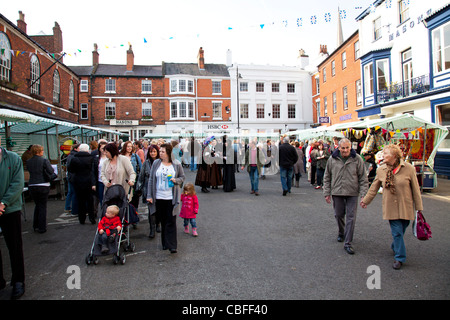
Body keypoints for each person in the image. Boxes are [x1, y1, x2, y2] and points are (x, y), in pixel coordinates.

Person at [360, 144, 423, 270]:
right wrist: (365, 201)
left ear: (394, 156)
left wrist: (419, 207)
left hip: (406, 205)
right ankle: (399, 258)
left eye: (385, 154)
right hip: (390, 207)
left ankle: (395, 246)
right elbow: (374, 187)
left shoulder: (409, 168)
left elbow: (416, 189)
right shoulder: (381, 170)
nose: (382, 155)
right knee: (397, 232)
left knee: (402, 229)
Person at [323, 138, 368, 255]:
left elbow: (363, 178)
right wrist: (326, 192)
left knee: (351, 217)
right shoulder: (332, 159)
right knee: (338, 215)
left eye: (347, 148)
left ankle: (348, 243)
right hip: (337, 191)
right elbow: (327, 176)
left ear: (350, 147)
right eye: (343, 148)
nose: (345, 150)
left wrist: (364, 195)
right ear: (338, 147)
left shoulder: (357, 159)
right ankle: (341, 232)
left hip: (352, 192)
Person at [147, 143, 185, 253]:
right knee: (163, 220)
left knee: (171, 220)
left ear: (168, 152)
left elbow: (182, 177)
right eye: (160, 151)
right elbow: (151, 180)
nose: (160, 153)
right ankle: (165, 243)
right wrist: (149, 195)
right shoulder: (156, 163)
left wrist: (176, 180)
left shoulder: (176, 164)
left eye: (162, 151)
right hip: (158, 196)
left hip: (171, 197)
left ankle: (172, 245)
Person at [0, 145, 26, 299]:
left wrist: (3, 203)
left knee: (14, 246)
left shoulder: (12, 158)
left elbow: (17, 183)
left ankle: (18, 281)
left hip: (10, 208)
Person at [26, 144, 57, 233]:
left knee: (37, 205)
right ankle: (42, 227)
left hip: (32, 184)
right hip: (43, 184)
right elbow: (51, 171)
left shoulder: (29, 161)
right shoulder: (44, 160)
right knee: (42, 206)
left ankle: (35, 225)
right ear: (39, 151)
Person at [68, 144, 96, 225]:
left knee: (80, 201)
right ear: (87, 150)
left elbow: (71, 170)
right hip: (88, 181)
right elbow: (92, 172)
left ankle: (81, 219)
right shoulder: (91, 158)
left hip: (78, 181)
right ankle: (92, 218)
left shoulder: (74, 158)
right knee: (90, 201)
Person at [137, 144, 160, 238]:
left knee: (158, 208)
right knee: (151, 210)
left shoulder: (161, 162)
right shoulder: (146, 163)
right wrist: (139, 187)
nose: (153, 153)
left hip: (159, 188)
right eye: (151, 152)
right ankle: (152, 229)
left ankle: (158, 224)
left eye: (154, 151)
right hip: (148, 188)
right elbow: (141, 175)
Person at [120, 141, 142, 210]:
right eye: (128, 146)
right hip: (123, 180)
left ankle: (134, 214)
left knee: (134, 200)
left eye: (131, 146)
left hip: (133, 180)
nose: (129, 148)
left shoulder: (135, 156)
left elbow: (140, 168)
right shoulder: (121, 156)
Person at [64, 143, 80, 215]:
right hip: (73, 176)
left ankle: (67, 207)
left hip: (69, 175)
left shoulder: (70, 155)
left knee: (70, 192)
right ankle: (74, 210)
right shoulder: (75, 156)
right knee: (74, 193)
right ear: (75, 149)